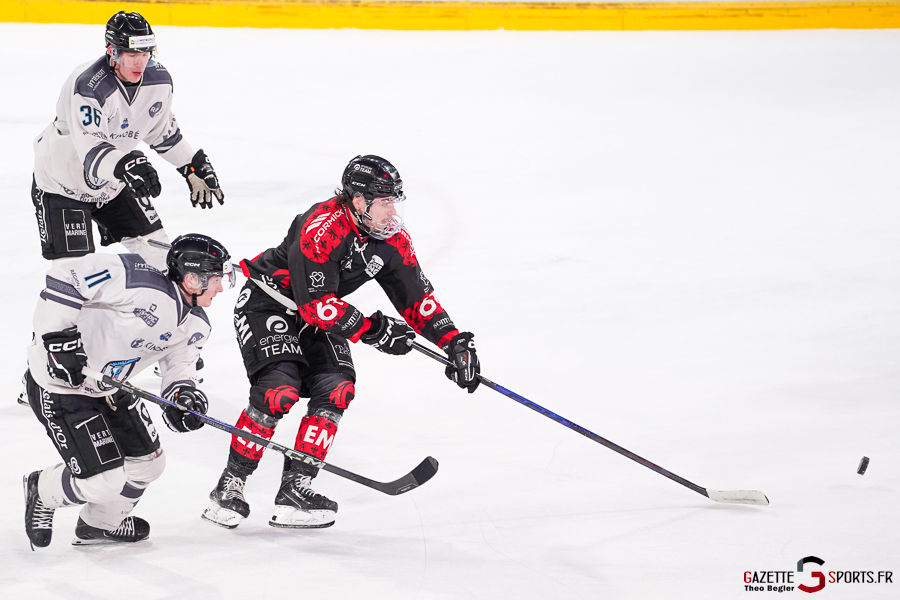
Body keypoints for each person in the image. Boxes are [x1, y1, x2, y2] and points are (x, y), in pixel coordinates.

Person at [202, 155, 481, 531]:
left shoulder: (391, 238)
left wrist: (454, 342)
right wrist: (374, 330)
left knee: (337, 389)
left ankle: (296, 488)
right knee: (277, 391)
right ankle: (229, 486)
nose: (391, 210)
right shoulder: (322, 228)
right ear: (358, 200)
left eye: (392, 200)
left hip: (321, 311)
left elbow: (415, 297)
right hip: (270, 303)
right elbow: (314, 305)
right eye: (383, 201)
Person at [22, 234, 234, 549]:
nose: (220, 287)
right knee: (101, 483)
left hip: (110, 387)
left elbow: (179, 368)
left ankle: (100, 524)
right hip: (60, 385)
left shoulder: (196, 324)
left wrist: (183, 397)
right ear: (192, 279)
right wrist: (58, 336)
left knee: (149, 464)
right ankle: (42, 489)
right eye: (217, 279)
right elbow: (68, 274)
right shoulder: (133, 276)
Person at [31, 11, 225, 273]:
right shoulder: (88, 86)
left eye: (145, 55)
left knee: (164, 263)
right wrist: (128, 164)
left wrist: (190, 166)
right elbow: (92, 151)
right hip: (62, 187)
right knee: (76, 278)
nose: (140, 63)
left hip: (113, 184)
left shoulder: (159, 81)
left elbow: (162, 132)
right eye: (132, 56)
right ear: (112, 52)